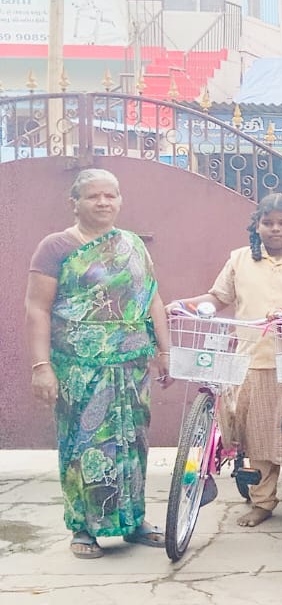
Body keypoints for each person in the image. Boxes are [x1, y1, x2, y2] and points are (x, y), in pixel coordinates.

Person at [24, 169, 173, 559]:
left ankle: (133, 520)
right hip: (79, 367)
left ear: (120, 200)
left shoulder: (133, 245)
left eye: (111, 195)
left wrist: (165, 351)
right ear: (74, 203)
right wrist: (41, 366)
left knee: (132, 444)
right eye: (93, 196)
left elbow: (153, 299)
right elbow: (37, 308)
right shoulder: (55, 247)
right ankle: (84, 527)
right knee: (83, 445)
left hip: (131, 366)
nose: (103, 202)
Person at [172, 194, 282, 528]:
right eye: (267, 222)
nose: (275, 229)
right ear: (256, 226)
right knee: (257, 436)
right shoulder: (239, 260)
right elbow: (217, 298)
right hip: (253, 359)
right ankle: (262, 502)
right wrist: (184, 305)